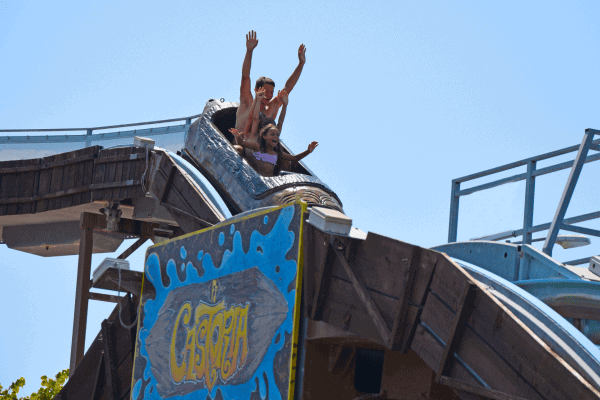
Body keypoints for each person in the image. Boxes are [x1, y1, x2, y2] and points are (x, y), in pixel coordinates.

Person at [235, 30, 306, 132]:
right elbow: (245, 77)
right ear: (256, 90)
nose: (269, 95)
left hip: (256, 146)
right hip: (237, 144)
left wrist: (301, 64)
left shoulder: (271, 108)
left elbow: (287, 88)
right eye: (266, 91)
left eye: (271, 92)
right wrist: (249, 51)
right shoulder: (247, 102)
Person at [228, 124, 317, 177]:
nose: (275, 136)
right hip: (256, 175)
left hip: (269, 180)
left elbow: (295, 158)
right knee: (238, 149)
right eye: (272, 134)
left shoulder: (278, 153)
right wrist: (237, 136)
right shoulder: (258, 147)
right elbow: (242, 143)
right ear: (264, 136)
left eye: (277, 135)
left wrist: (308, 151)